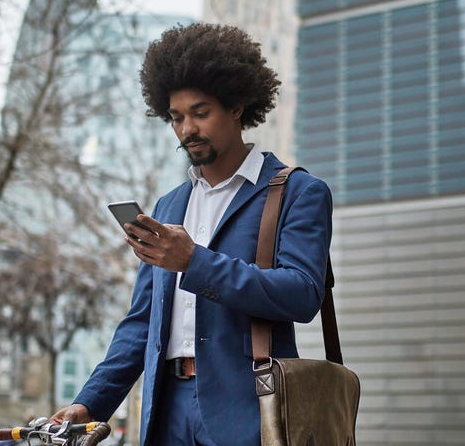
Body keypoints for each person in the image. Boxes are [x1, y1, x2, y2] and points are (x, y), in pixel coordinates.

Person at [50, 22, 333, 445]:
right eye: (176, 117)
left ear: (237, 106)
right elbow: (143, 322)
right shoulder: (169, 206)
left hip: (248, 411)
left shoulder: (298, 192)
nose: (187, 130)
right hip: (166, 412)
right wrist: (90, 403)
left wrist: (194, 262)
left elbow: (301, 293)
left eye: (200, 113)